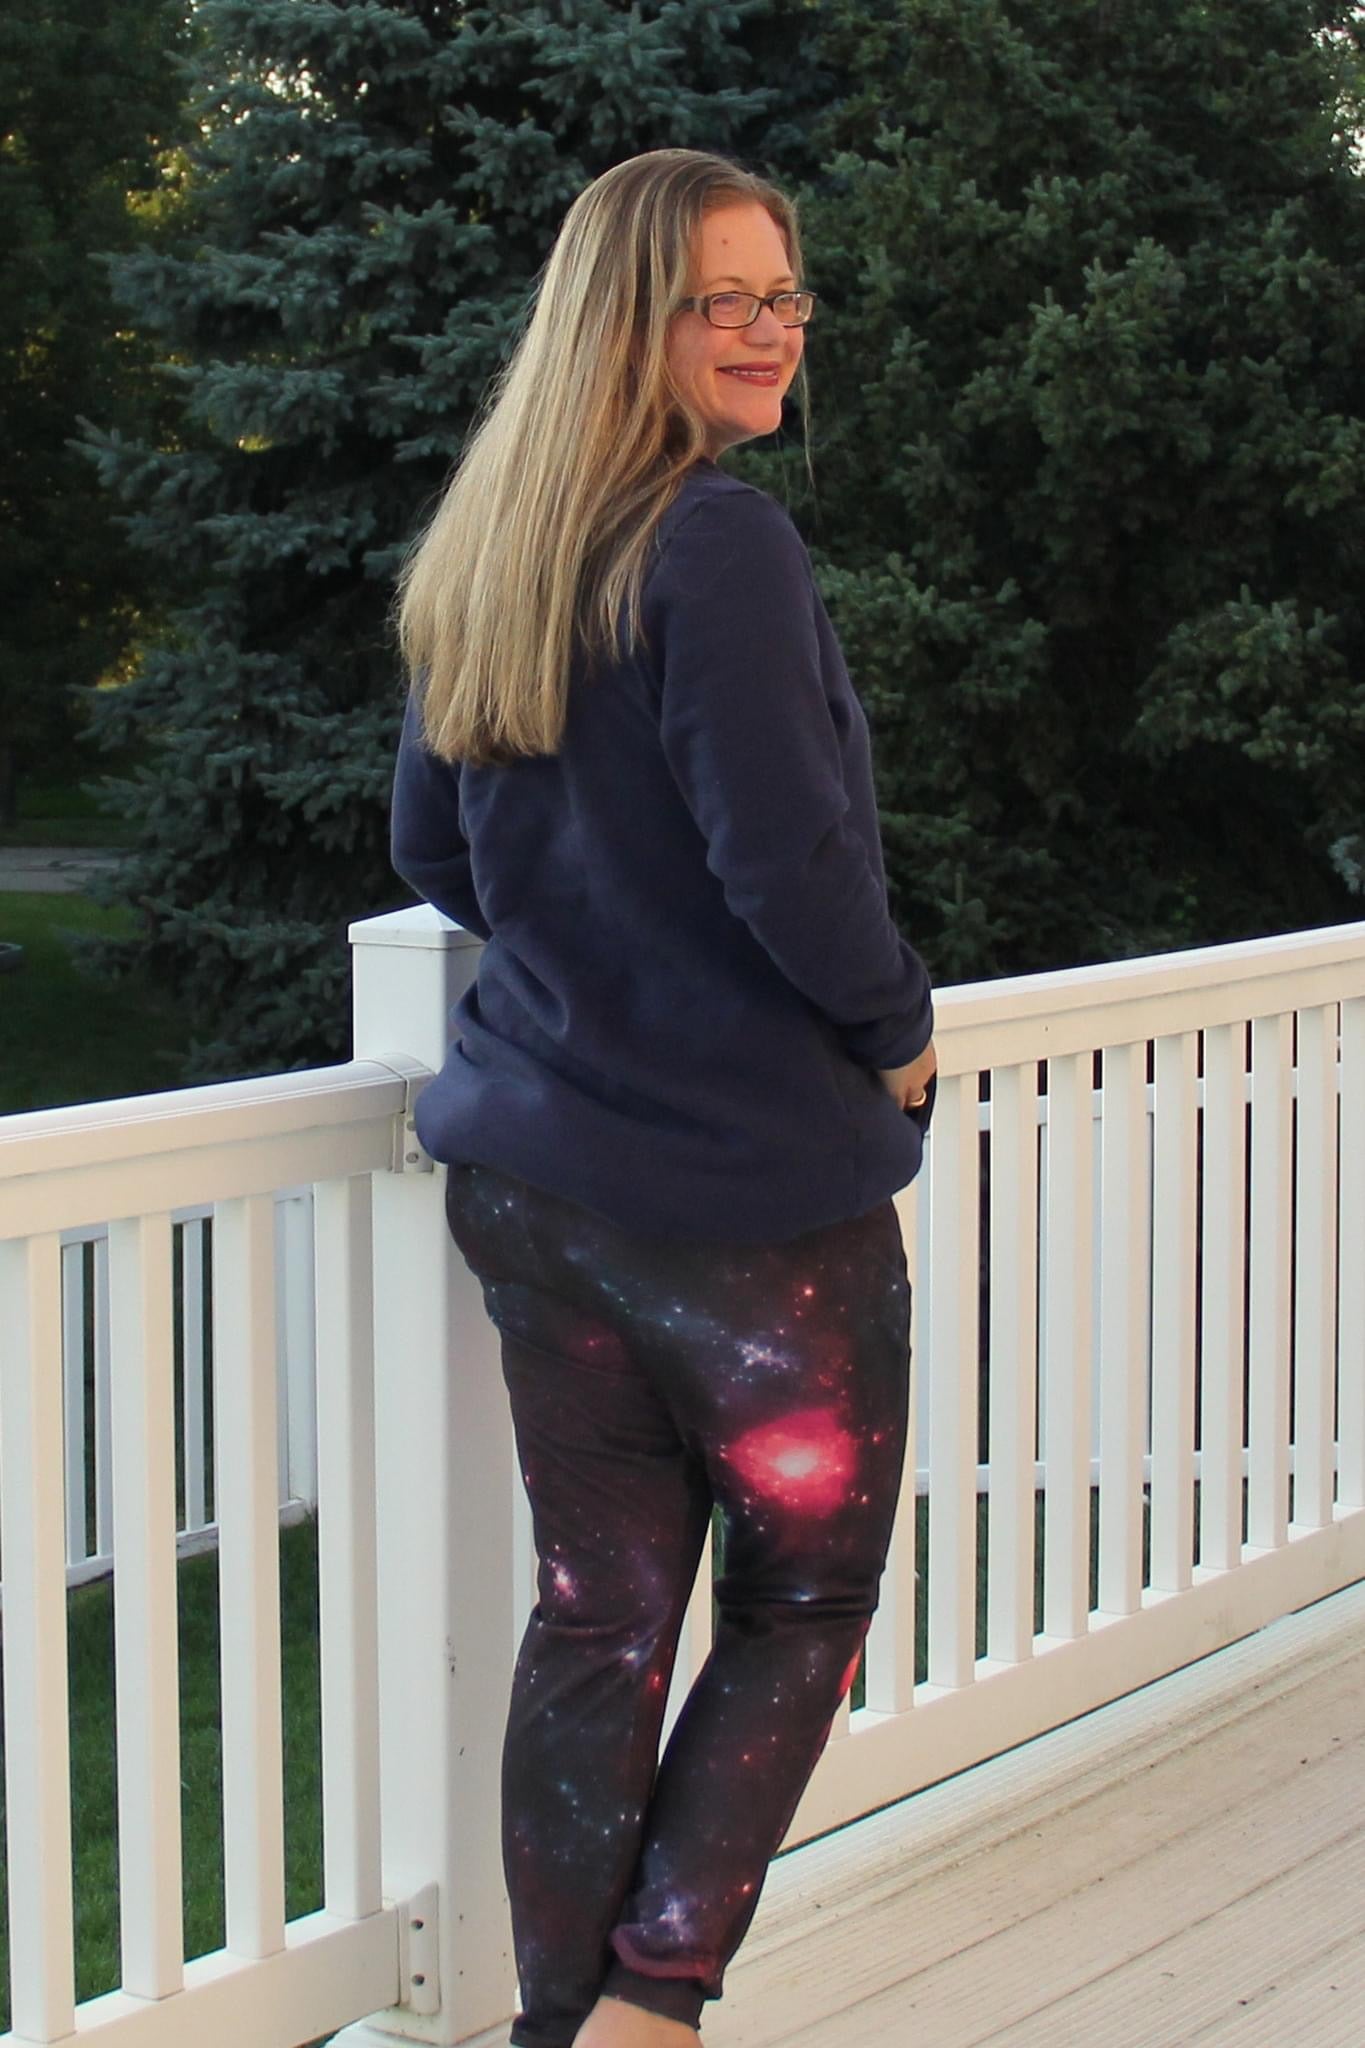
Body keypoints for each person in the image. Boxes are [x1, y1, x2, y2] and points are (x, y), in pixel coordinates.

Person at [388, 147, 937, 2048]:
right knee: (804, 1603)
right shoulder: (717, 543)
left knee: (597, 1619)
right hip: (745, 1215)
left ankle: (563, 2028)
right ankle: (650, 2006)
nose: (773, 331)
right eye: (727, 300)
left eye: (785, 294)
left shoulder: (499, 541)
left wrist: (596, 941)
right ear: (630, 324)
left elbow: (434, 852)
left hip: (537, 1187)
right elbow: (791, 864)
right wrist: (895, 1027)